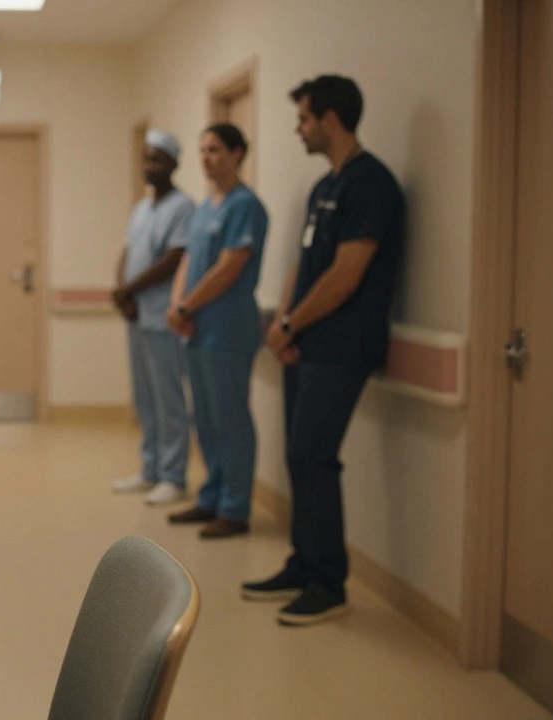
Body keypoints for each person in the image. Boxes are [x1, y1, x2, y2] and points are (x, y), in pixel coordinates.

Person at [243, 75, 405, 625]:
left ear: (331, 120)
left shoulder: (371, 184)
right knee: (298, 457)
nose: (298, 128)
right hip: (306, 343)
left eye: (304, 118)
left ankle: (328, 581)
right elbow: (303, 265)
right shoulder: (323, 188)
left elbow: (346, 275)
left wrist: (290, 323)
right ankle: (303, 561)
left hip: (343, 347)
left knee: (314, 456)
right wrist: (284, 328)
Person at [166, 123, 268, 539]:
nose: (206, 157)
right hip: (196, 328)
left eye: (215, 149)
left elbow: (230, 267)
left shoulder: (246, 206)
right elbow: (188, 262)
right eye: (202, 149)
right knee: (204, 419)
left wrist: (188, 305)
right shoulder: (206, 206)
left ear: (238, 153)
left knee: (231, 421)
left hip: (227, 329)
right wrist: (177, 305)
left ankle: (234, 507)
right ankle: (211, 496)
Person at [109, 129, 195, 506]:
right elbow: (127, 253)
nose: (149, 166)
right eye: (146, 158)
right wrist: (121, 290)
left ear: (174, 164)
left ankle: (174, 476)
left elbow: (173, 260)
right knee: (144, 397)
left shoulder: (183, 207)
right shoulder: (140, 208)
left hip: (162, 316)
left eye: (157, 159)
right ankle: (150, 469)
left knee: (168, 398)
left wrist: (131, 290)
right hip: (136, 315)